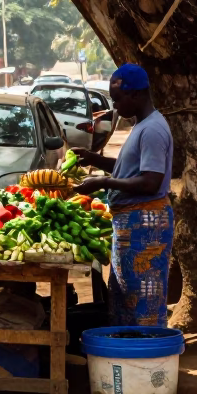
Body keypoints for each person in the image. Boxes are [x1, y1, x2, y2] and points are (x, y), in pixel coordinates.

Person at [72, 64, 175, 327]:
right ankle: (125, 355)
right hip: (131, 223)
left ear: (136, 95)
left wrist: (104, 182)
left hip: (145, 225)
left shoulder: (152, 130)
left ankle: (145, 357)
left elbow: (151, 181)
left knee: (142, 300)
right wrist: (96, 160)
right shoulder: (142, 126)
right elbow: (131, 169)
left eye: (117, 100)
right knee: (125, 294)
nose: (115, 107)